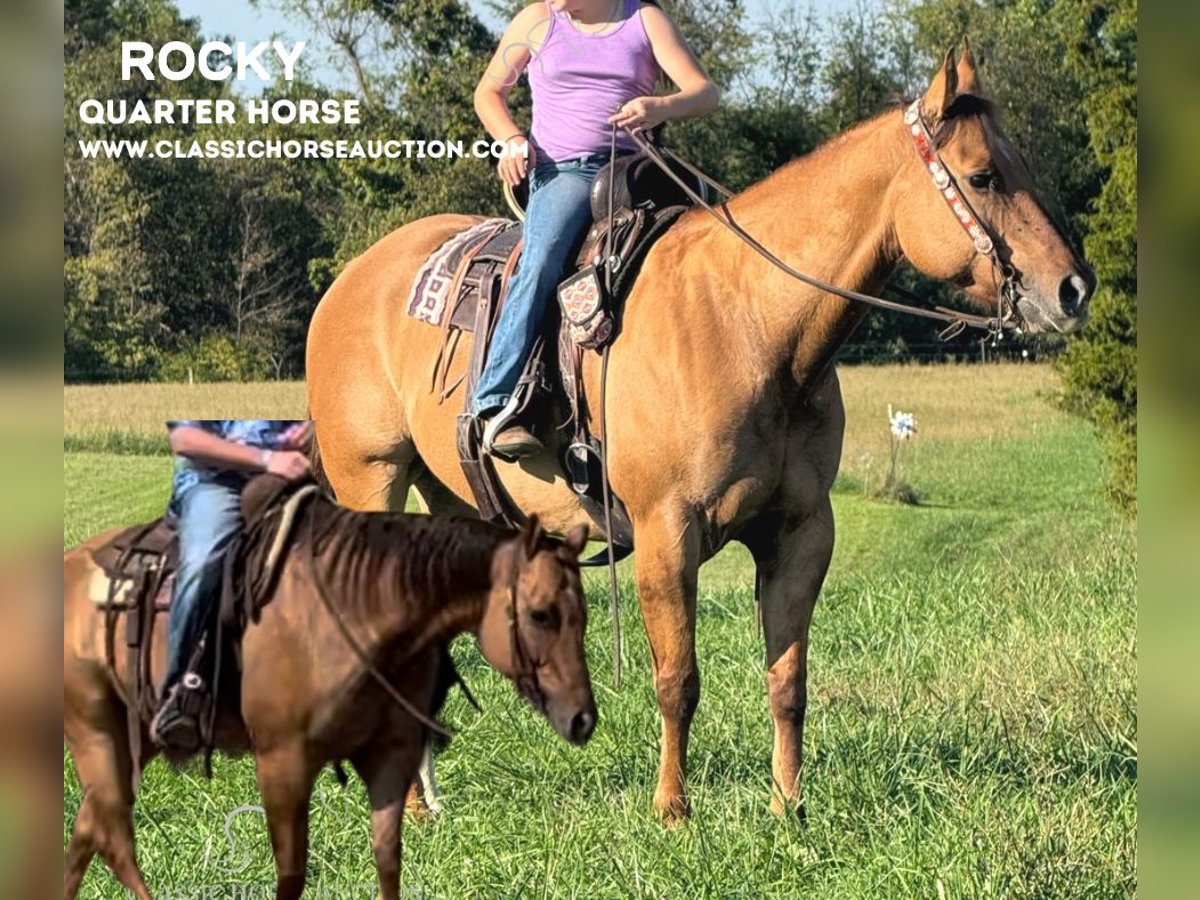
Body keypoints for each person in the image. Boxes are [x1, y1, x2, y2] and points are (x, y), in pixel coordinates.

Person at [472, 0, 719, 457]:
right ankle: (496, 401)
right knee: (543, 258)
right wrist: (511, 139)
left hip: (637, 168)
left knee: (714, 244)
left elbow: (705, 92)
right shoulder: (537, 21)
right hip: (564, 172)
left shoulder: (644, 20)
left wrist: (659, 106)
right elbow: (488, 93)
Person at [150, 419, 312, 751]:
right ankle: (180, 693)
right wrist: (266, 458)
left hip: (290, 479)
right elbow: (184, 438)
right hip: (215, 481)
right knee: (202, 562)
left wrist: (309, 430)